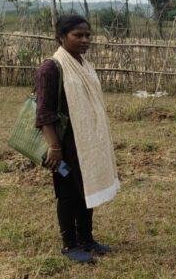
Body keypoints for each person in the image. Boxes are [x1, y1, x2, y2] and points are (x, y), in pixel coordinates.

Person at [35, 14, 121, 264]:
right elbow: (44, 113)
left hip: (87, 142)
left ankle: (87, 239)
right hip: (64, 145)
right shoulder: (50, 68)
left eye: (87, 35)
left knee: (86, 189)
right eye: (78, 35)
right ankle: (69, 244)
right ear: (61, 37)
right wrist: (54, 147)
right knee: (68, 193)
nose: (84, 40)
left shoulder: (83, 64)